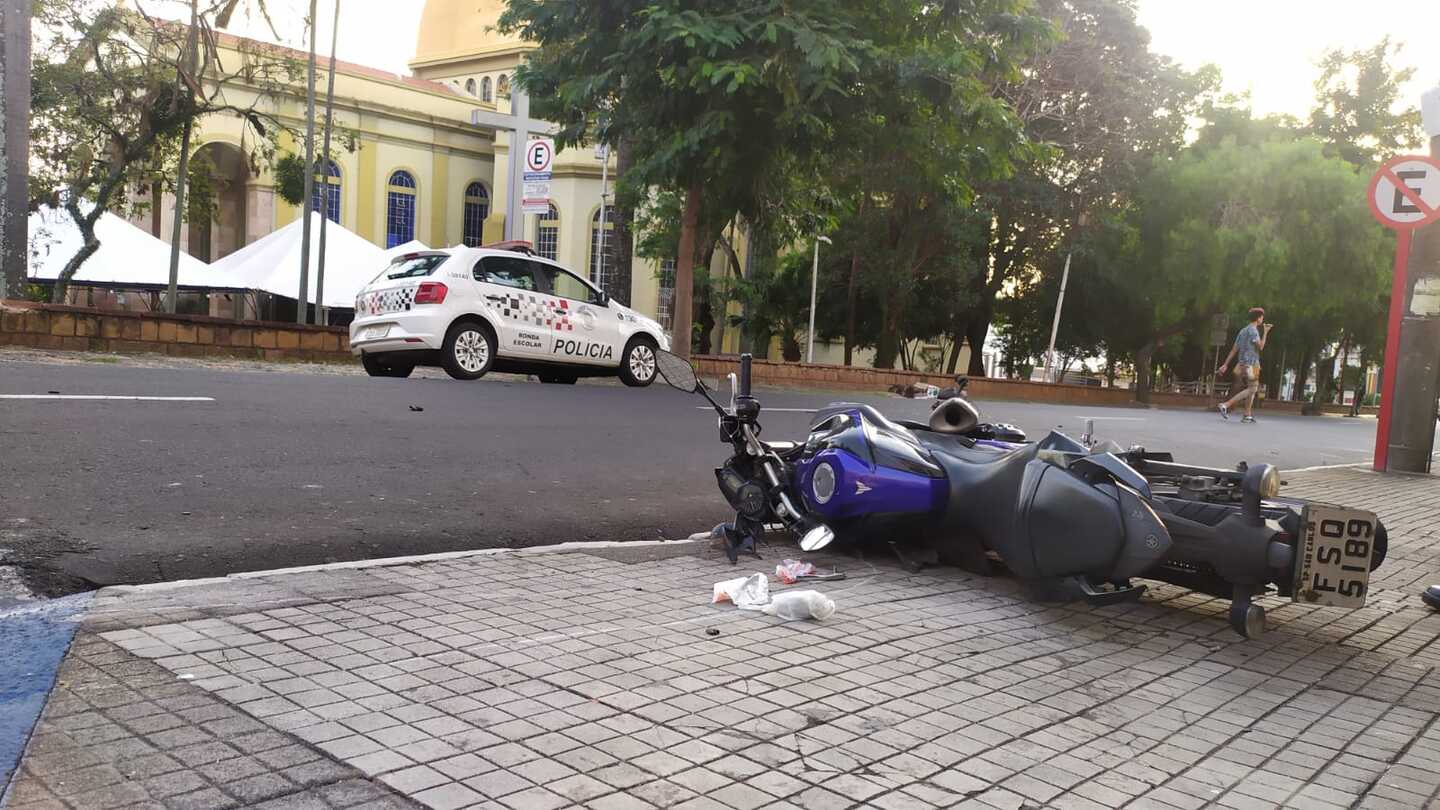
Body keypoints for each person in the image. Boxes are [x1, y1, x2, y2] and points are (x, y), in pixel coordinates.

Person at [1217, 307, 1272, 423]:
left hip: (1241, 363)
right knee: (1253, 388)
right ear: (1258, 318)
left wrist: (1225, 364)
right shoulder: (1253, 330)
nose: (1262, 319)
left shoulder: (1243, 331)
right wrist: (1266, 332)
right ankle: (1226, 405)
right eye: (1262, 317)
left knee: (1251, 388)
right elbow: (1261, 346)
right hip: (1252, 364)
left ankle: (1247, 415)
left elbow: (1234, 349)